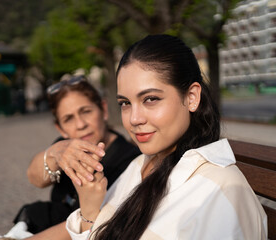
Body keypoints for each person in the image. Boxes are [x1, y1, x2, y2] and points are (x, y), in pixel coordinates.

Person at [66, 35, 268, 240]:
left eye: (151, 99)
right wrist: (89, 211)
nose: (134, 119)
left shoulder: (222, 191)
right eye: (125, 103)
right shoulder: (139, 166)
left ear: (191, 98)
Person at [0, 75, 141, 240]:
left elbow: (102, 221)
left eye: (86, 111)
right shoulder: (65, 146)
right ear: (60, 128)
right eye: (68, 119)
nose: (80, 124)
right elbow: (35, 178)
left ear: (103, 109)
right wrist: (53, 153)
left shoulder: (130, 159)